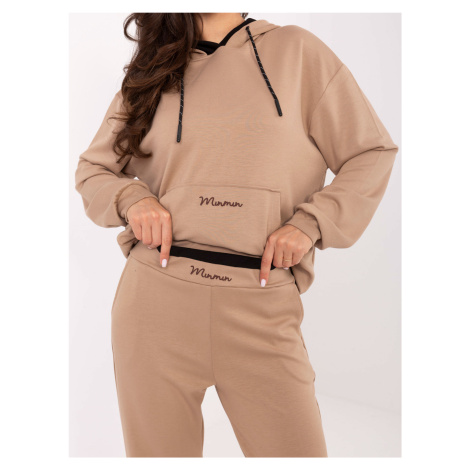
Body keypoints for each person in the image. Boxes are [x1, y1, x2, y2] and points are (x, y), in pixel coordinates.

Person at [74, 12, 399, 458]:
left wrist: (311, 223)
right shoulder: (154, 70)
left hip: (261, 302)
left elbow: (371, 152)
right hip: (155, 304)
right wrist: (132, 199)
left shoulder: (297, 52)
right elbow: (93, 169)